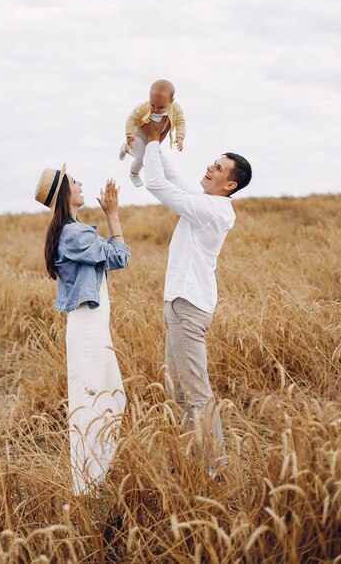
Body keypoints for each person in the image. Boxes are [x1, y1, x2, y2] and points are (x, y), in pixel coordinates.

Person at [141, 119, 252, 477]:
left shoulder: (213, 210)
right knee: (179, 393)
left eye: (217, 168)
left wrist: (155, 141)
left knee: (197, 392)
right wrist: (151, 142)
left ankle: (215, 471)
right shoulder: (205, 201)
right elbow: (174, 178)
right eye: (212, 163)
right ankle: (192, 462)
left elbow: (157, 183)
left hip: (189, 308)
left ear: (229, 184)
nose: (209, 168)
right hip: (177, 304)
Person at [35, 166, 130, 495]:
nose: (80, 184)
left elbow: (114, 260)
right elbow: (120, 257)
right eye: (74, 182)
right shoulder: (75, 234)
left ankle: (97, 481)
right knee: (92, 409)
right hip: (88, 329)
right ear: (65, 194)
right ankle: (88, 491)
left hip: (92, 327)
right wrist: (113, 214)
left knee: (113, 400)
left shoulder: (71, 230)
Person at [119, 79, 186, 187]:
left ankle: (126, 149)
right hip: (139, 135)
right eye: (152, 104)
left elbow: (181, 121)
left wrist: (180, 136)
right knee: (142, 158)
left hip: (155, 139)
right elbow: (131, 118)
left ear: (171, 101)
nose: (155, 109)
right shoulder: (144, 106)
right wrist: (129, 134)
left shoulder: (176, 108)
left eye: (160, 107)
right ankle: (134, 174)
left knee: (149, 157)